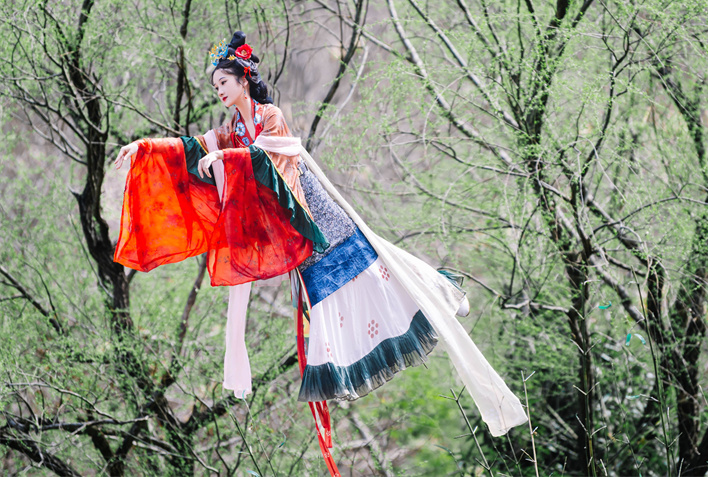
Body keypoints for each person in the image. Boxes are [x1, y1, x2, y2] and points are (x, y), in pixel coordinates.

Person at [113, 31, 526, 474]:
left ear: (244, 80)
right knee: (325, 295)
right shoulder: (232, 128)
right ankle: (349, 358)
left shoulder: (269, 116)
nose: (219, 89)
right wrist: (146, 148)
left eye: (223, 82)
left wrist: (227, 162)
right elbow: (198, 146)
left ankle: (440, 293)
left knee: (372, 266)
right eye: (215, 85)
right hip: (291, 227)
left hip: (311, 211)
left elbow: (268, 155)